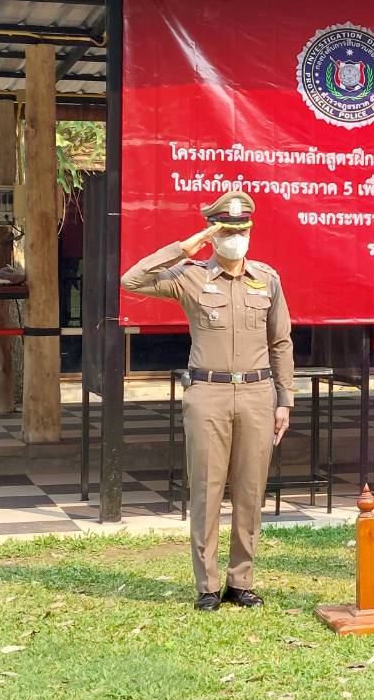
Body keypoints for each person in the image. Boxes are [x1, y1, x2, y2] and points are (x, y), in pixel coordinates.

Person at [120, 191, 294, 611]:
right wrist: (186, 246)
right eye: (226, 232)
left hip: (257, 394)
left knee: (250, 491)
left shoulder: (266, 278)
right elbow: (132, 279)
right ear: (213, 235)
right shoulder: (191, 276)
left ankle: (241, 581)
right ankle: (208, 585)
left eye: (241, 231)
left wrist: (284, 399)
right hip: (208, 394)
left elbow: (280, 342)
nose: (235, 239)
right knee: (207, 489)